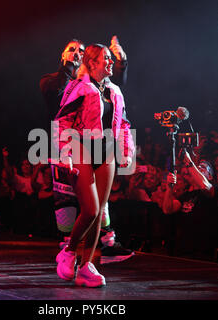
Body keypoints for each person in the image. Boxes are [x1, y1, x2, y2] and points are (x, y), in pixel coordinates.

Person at [40, 36, 133, 263]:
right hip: (71, 144)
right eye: (71, 49)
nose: (77, 52)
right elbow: (61, 114)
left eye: (81, 49)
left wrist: (126, 150)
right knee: (70, 204)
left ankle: (97, 255)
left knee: (99, 208)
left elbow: (121, 119)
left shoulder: (108, 88)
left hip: (104, 147)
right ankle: (67, 249)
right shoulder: (60, 81)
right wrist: (65, 152)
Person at [162, 151, 218, 261]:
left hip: (203, 252)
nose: (197, 168)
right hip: (183, 249)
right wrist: (169, 188)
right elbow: (167, 209)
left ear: (210, 176)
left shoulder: (215, 191)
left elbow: (205, 186)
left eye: (203, 167)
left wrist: (189, 162)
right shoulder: (186, 195)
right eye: (197, 166)